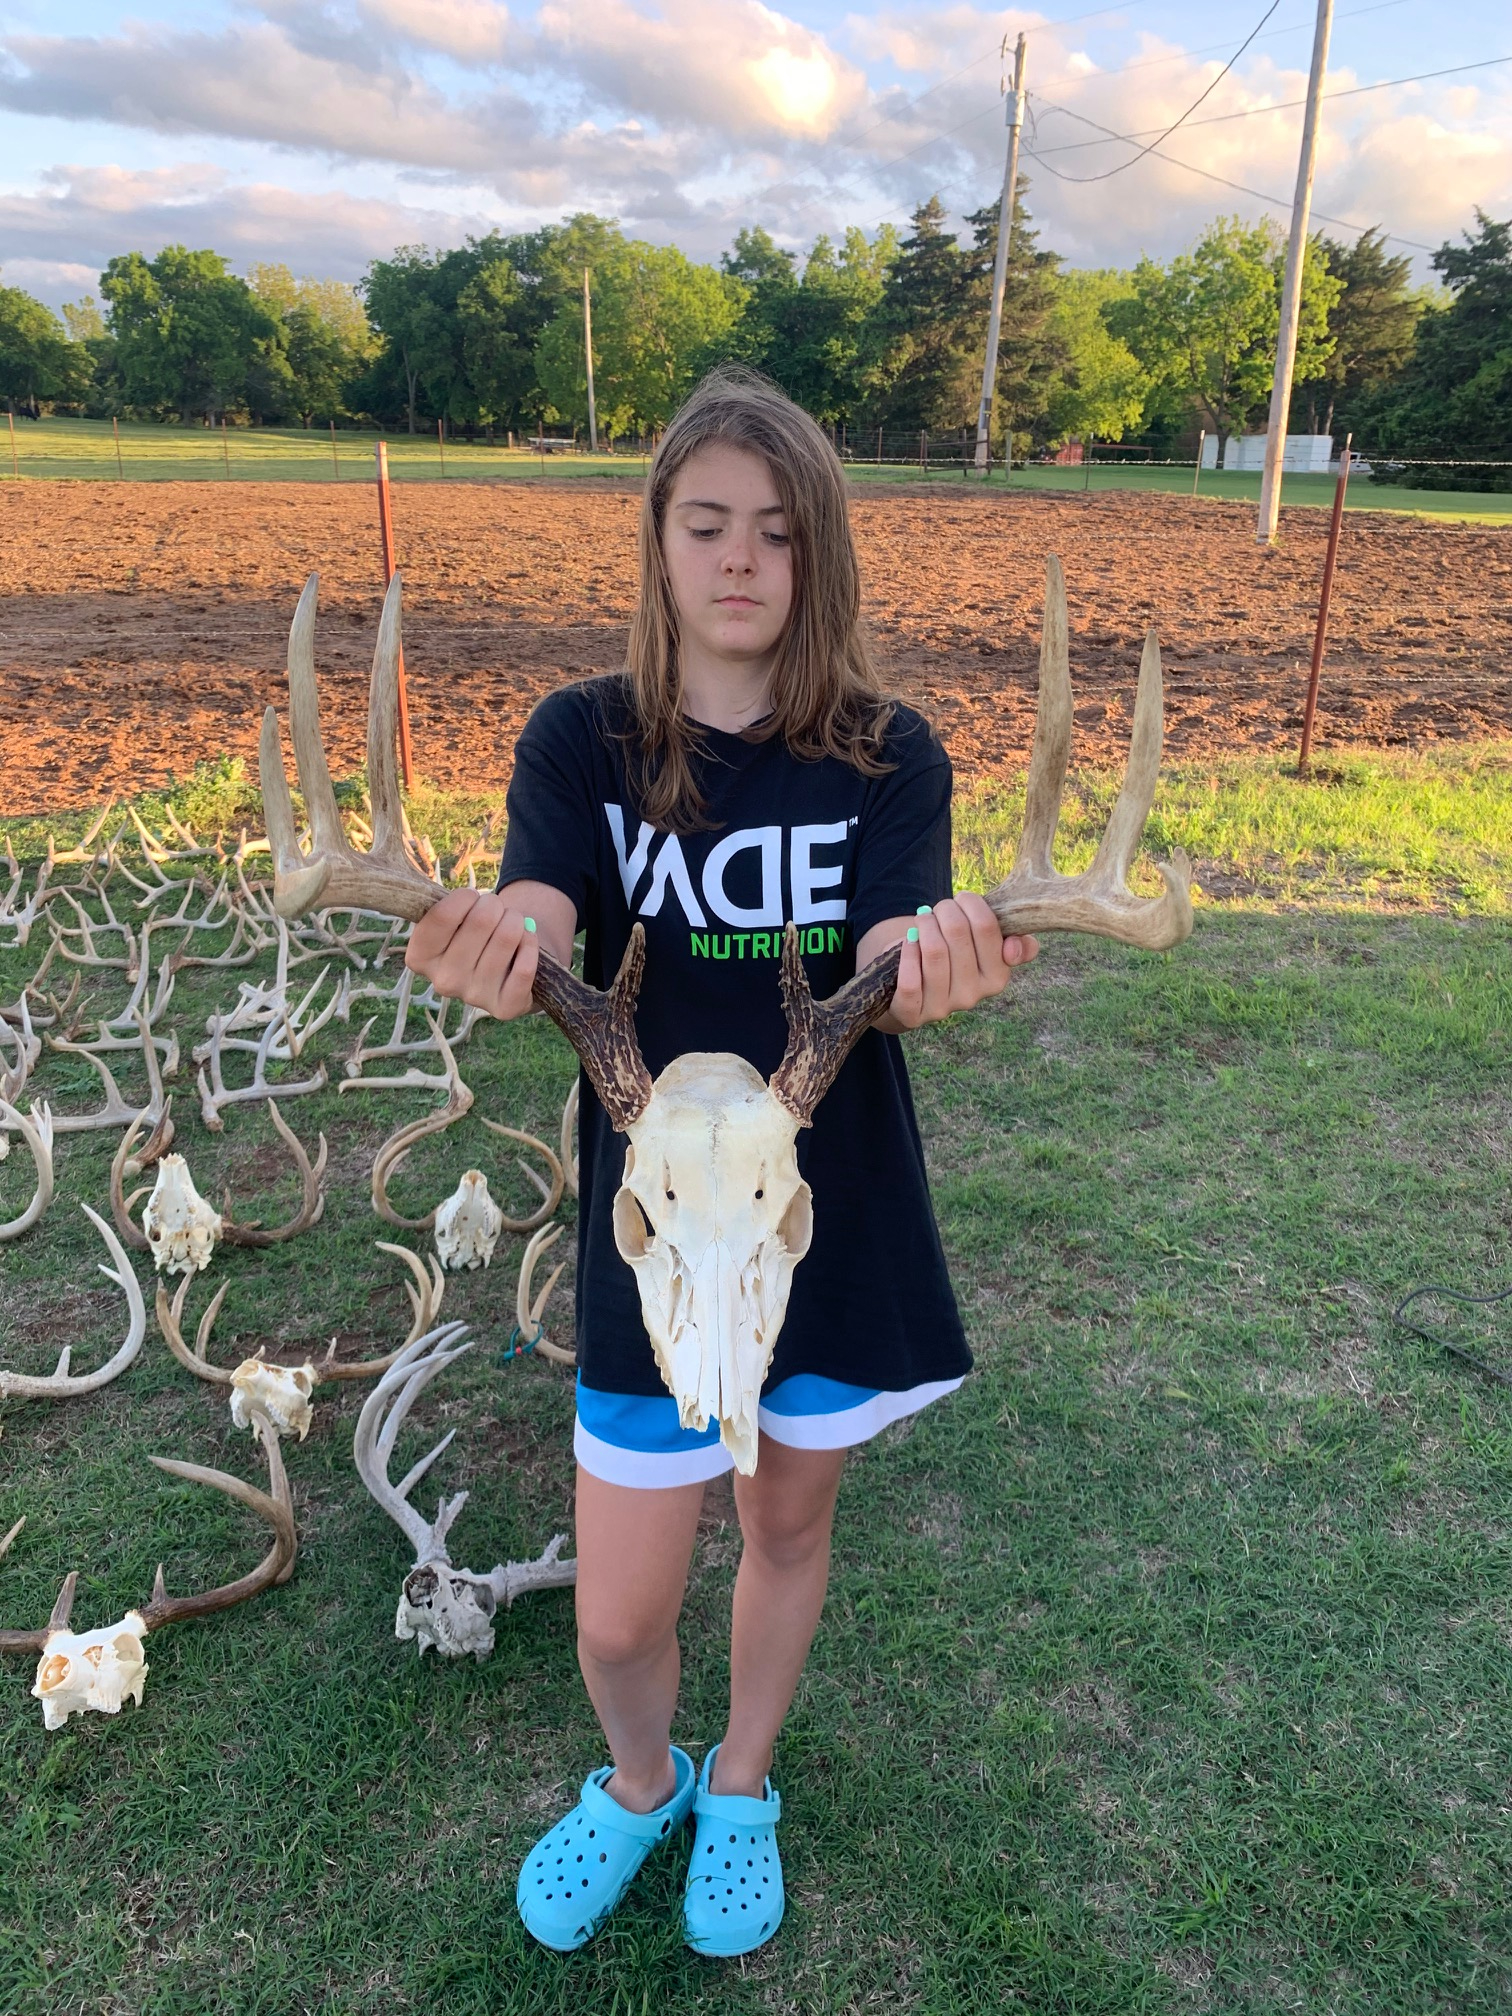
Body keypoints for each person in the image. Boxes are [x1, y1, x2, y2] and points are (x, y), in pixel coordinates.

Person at [404, 365, 1038, 1959]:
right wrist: (501, 941)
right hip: (659, 1235)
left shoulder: (887, 754)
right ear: (660, 542)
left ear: (819, 549)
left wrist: (928, 965)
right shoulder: (583, 740)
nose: (741, 557)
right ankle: (642, 1781)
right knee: (619, 1611)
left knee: (784, 1530)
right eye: (706, 524)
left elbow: (890, 938)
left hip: (823, 1215)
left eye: (776, 529)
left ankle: (740, 1780)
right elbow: (543, 904)